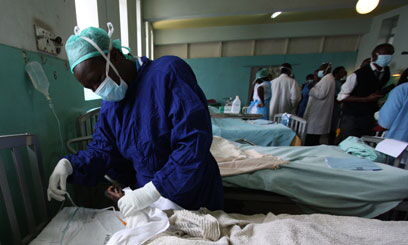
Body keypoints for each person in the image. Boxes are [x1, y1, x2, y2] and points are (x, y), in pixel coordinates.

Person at [46, 24, 224, 216]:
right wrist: (71, 165)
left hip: (192, 193)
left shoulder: (167, 73)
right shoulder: (110, 106)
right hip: (149, 202)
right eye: (90, 88)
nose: (98, 89)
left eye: (97, 79)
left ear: (114, 56)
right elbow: (103, 151)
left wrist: (152, 190)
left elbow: (193, 141)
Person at [337, 43, 394, 140]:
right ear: (376, 55)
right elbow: (341, 97)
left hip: (369, 114)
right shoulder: (358, 75)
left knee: (363, 141)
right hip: (352, 115)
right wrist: (366, 99)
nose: (388, 57)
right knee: (347, 141)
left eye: (390, 54)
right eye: (385, 54)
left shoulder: (386, 73)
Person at [304, 63, 336, 146]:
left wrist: (311, 88)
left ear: (326, 69)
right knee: (312, 137)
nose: (319, 71)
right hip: (318, 112)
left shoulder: (327, 79)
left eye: (321, 69)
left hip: (319, 113)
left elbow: (321, 94)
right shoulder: (327, 79)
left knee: (312, 138)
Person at [329, 66, 347, 145]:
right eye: (342, 71)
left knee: (335, 127)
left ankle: (332, 141)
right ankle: (331, 142)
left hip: (338, 107)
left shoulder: (340, 83)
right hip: (334, 107)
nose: (344, 73)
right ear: (337, 73)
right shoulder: (334, 82)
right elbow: (337, 96)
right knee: (332, 127)